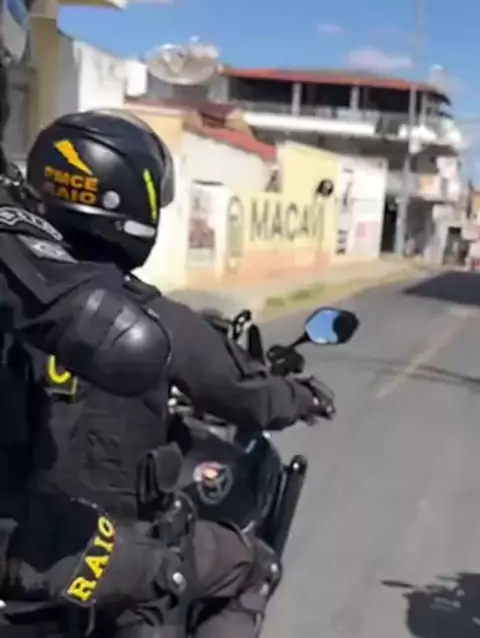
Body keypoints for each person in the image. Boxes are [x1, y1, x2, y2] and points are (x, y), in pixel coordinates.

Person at [0, 0, 274, 638]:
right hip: (28, 544)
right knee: (210, 569)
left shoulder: (22, 226)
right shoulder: (60, 275)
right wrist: (302, 395)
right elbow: (151, 352)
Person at [21, 107, 336, 636]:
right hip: (106, 552)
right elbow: (248, 394)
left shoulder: (12, 298)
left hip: (17, 543)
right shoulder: (149, 319)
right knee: (251, 567)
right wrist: (302, 397)